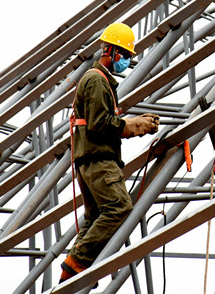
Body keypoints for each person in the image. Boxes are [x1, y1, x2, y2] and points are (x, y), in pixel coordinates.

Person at [60, 22, 159, 281]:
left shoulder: (100, 81)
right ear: (110, 51)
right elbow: (99, 123)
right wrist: (135, 125)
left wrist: (133, 123)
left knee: (94, 218)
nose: (126, 60)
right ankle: (78, 262)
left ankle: (70, 273)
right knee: (119, 207)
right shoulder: (96, 79)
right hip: (98, 160)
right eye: (124, 55)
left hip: (91, 160)